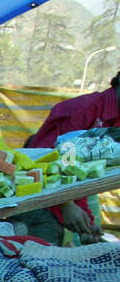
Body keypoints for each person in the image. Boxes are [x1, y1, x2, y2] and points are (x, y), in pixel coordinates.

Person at [12, 71, 120, 245]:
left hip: (63, 193)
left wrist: (87, 225)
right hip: (32, 192)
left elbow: (75, 171)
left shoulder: (115, 122)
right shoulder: (82, 110)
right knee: (43, 247)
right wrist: (67, 205)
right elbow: (42, 164)